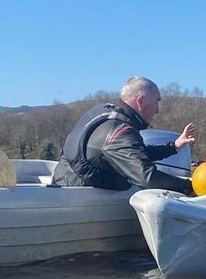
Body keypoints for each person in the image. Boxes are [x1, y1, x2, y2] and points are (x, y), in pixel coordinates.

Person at [51, 75, 195, 195]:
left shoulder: (102, 112)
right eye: (156, 102)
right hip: (79, 198)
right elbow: (147, 177)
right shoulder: (119, 131)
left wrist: (173, 146)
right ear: (140, 101)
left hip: (63, 182)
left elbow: (135, 154)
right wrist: (190, 186)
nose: (157, 110)